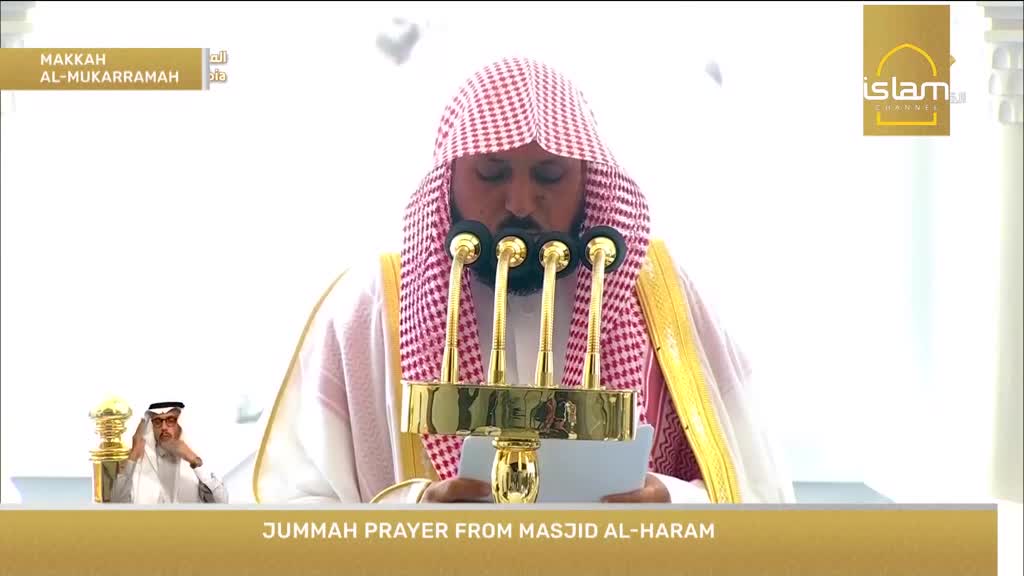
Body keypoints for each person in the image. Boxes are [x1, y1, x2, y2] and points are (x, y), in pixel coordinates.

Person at [253, 56, 794, 504]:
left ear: (586, 178)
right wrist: (415, 512)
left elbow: (759, 491)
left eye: (549, 175)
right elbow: (291, 507)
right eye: (490, 173)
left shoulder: (660, 295)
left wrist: (670, 503)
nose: (518, 202)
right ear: (450, 177)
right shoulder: (373, 306)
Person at [112, 402, 229, 504]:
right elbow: (116, 505)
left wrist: (194, 461)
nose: (163, 427)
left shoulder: (197, 457)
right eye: (157, 421)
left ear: (180, 424)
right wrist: (133, 455)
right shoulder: (141, 460)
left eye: (171, 420)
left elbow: (222, 502)